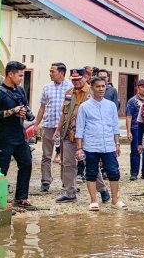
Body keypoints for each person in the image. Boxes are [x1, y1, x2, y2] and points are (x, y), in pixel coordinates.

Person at [55, 68, 110, 203]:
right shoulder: (69, 93)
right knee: (68, 164)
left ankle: (102, 189)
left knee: (90, 164)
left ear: (86, 78)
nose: (76, 81)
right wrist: (58, 129)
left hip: (87, 136)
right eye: (73, 79)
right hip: (69, 134)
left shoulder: (92, 93)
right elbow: (64, 113)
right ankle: (70, 193)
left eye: (79, 79)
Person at [75, 77, 126, 211]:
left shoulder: (111, 105)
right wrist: (79, 147)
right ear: (92, 88)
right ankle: (93, 201)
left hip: (109, 145)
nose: (101, 89)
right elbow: (80, 128)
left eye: (103, 86)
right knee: (91, 172)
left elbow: (115, 126)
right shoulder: (84, 107)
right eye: (98, 86)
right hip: (91, 145)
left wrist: (117, 143)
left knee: (114, 172)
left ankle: (115, 200)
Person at [0, 61, 35, 210]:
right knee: (1, 169)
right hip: (3, 137)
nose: (21, 78)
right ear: (10, 74)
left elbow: (24, 106)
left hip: (19, 135)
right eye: (19, 75)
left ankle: (21, 197)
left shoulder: (20, 90)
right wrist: (13, 111)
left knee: (26, 164)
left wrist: (23, 113)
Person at [31, 62, 72, 193]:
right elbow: (42, 107)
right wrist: (36, 124)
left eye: (52, 71)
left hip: (65, 127)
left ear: (61, 73)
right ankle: (45, 181)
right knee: (46, 155)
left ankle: (66, 182)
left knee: (65, 156)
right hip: (48, 125)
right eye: (50, 71)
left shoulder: (70, 87)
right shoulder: (46, 87)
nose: (50, 74)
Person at [126, 78, 144, 181]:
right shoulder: (132, 101)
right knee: (135, 151)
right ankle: (134, 173)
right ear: (138, 88)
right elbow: (129, 116)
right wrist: (128, 131)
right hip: (136, 128)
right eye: (142, 87)